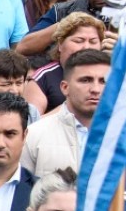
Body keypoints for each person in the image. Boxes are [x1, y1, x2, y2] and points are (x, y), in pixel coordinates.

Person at [24, 49, 109, 178]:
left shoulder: (124, 136)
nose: (95, 89)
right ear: (65, 87)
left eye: (103, 81)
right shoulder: (34, 135)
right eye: (85, 80)